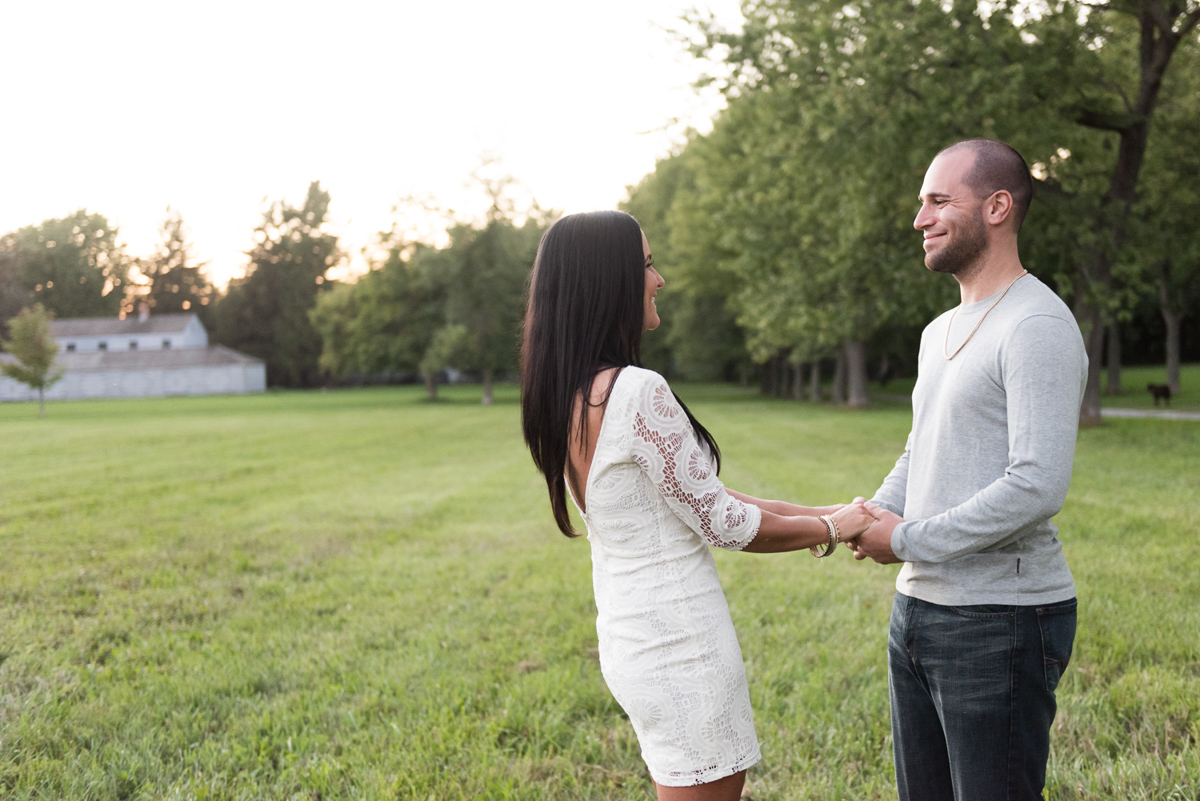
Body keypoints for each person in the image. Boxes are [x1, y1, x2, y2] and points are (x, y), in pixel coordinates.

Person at [521, 210, 875, 801]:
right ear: (608, 281)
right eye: (648, 265)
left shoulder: (571, 396)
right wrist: (831, 530)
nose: (659, 279)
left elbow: (698, 497)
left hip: (633, 641)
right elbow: (723, 523)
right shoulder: (636, 391)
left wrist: (817, 514)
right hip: (681, 649)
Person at [848, 139, 1087, 801]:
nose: (918, 218)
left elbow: (1037, 482)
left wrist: (902, 539)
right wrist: (867, 514)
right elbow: (919, 448)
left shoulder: (1037, 322)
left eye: (937, 200)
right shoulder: (938, 332)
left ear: (998, 206)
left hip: (1000, 622)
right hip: (917, 610)